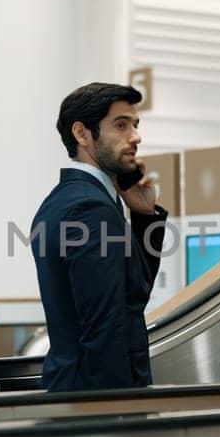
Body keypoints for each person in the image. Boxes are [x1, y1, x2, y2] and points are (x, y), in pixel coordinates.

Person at [31, 82, 167, 393]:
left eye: (135, 125)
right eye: (120, 125)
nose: (136, 137)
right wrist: (114, 415)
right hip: (97, 398)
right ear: (82, 134)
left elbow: (131, 297)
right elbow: (105, 328)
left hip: (79, 390)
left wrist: (144, 217)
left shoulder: (68, 200)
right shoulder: (89, 209)